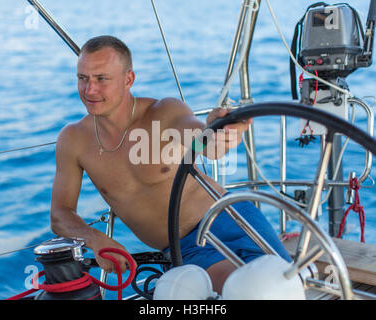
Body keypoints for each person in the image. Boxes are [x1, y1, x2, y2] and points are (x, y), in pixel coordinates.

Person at [50, 35, 291, 295]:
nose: (89, 90)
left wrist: (220, 131)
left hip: (233, 217)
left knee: (285, 285)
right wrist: (95, 239)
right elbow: (60, 214)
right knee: (248, 292)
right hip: (185, 246)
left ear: (128, 80)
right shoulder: (74, 140)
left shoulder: (164, 113)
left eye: (101, 79)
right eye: (82, 78)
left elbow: (205, 145)